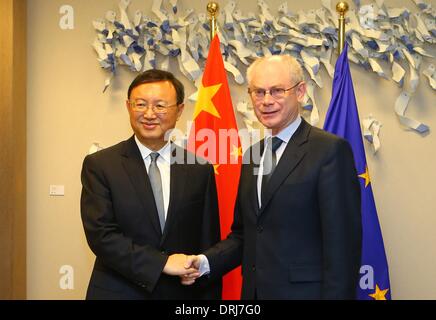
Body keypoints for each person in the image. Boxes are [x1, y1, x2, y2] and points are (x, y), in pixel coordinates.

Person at [183, 55, 362, 299]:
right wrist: (203, 262)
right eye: (258, 92)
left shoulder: (329, 150)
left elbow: (342, 245)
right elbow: (246, 234)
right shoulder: (252, 155)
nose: (266, 101)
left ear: (300, 92)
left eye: (277, 91)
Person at [80, 69, 221, 299]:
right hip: (118, 292)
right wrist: (162, 263)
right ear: (128, 107)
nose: (149, 113)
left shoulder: (199, 169)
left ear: (180, 110)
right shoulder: (101, 165)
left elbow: (207, 243)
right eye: (140, 104)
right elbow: (101, 236)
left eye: (160, 106)